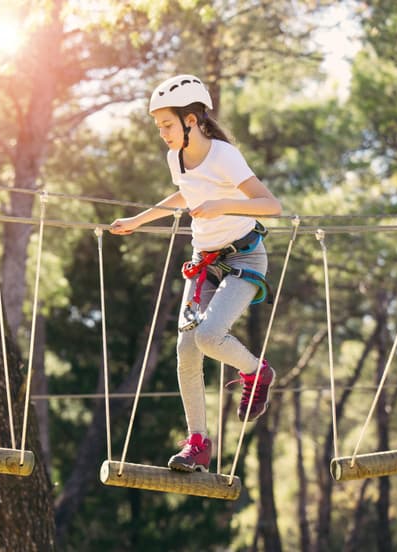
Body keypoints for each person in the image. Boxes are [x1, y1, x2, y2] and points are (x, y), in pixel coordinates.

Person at [109, 74, 282, 473]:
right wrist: (140, 220)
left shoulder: (224, 156)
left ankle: (257, 372)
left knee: (208, 336)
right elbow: (186, 192)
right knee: (187, 351)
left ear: (191, 121)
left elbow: (270, 205)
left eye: (167, 125)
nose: (162, 134)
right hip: (204, 261)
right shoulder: (176, 157)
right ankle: (198, 443)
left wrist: (223, 204)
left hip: (243, 259)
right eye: (159, 127)